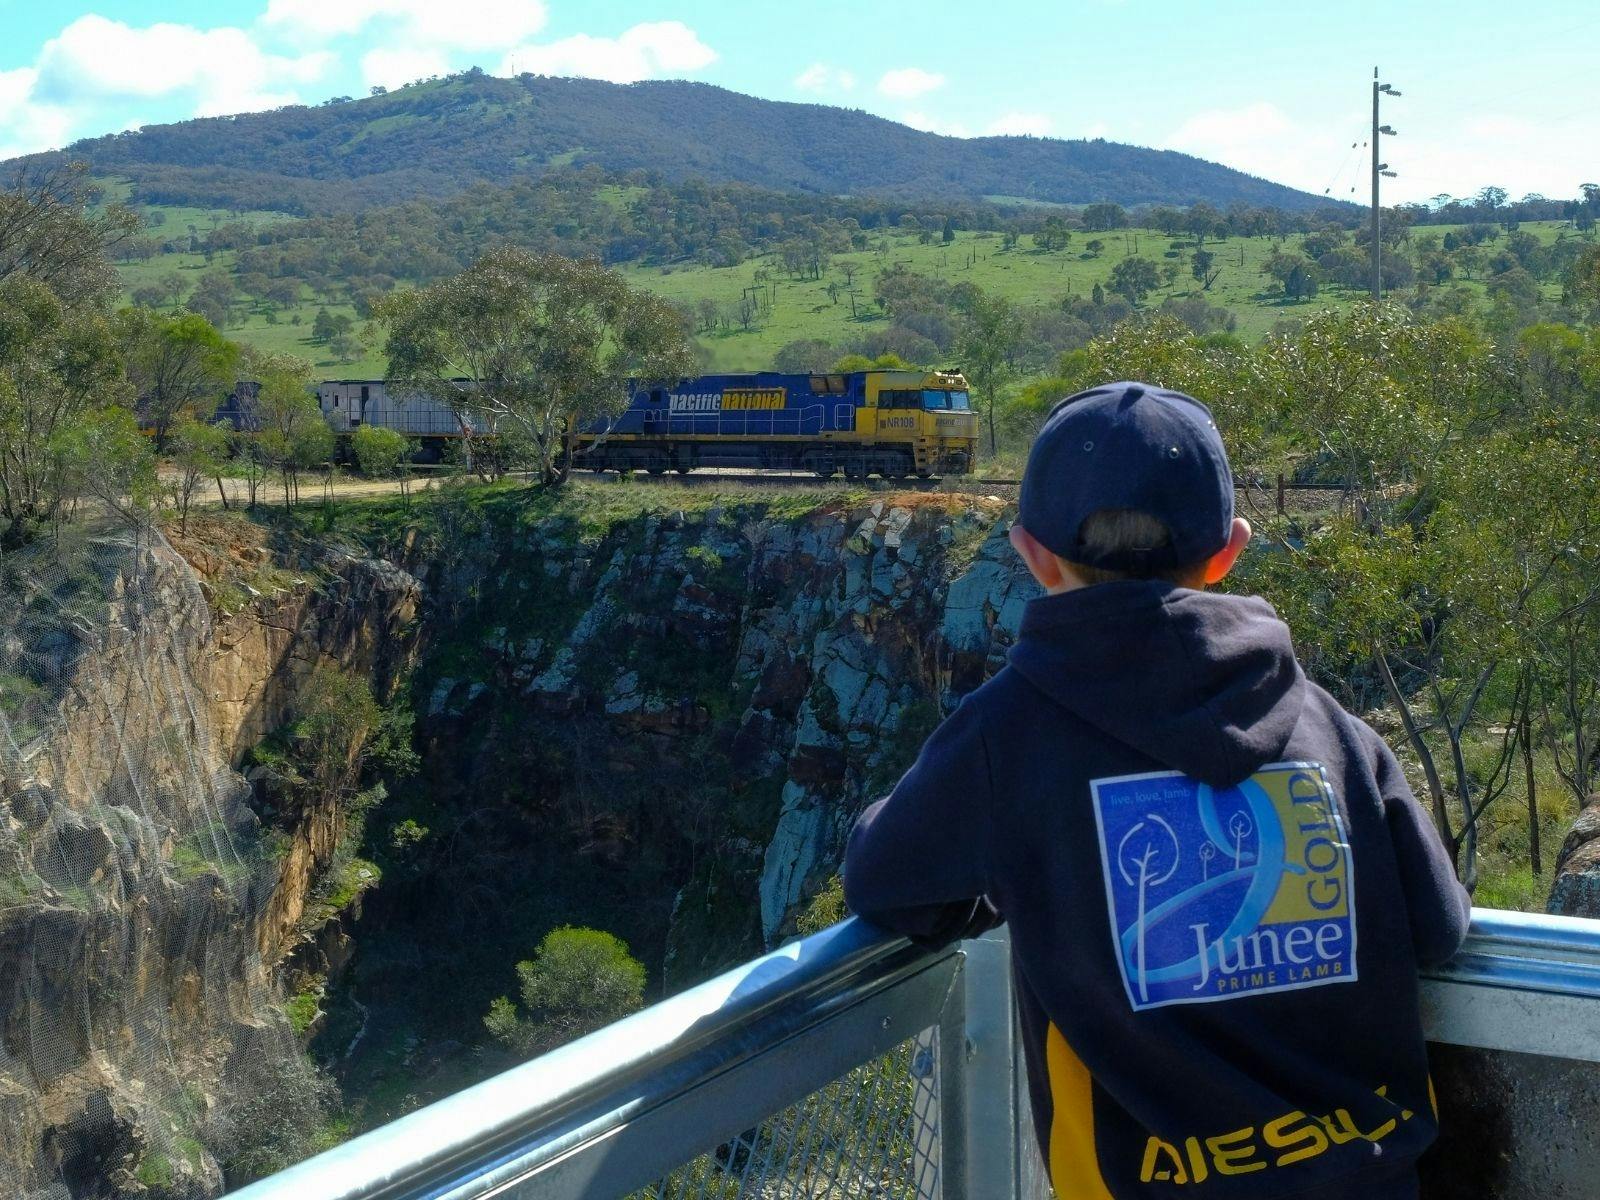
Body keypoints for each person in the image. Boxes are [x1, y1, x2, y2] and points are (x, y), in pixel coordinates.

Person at [842, 381, 1471, 1199]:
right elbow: (1440, 927)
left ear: (1031, 554)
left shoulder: (1010, 735)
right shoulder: (1336, 730)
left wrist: (1018, 883)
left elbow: (885, 884)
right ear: (1229, 551)